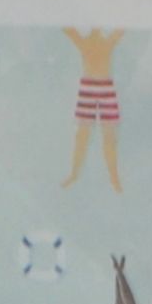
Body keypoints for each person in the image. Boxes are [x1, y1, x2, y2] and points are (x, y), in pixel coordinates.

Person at [61, 27, 126, 192]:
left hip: (103, 88)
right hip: (91, 88)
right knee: (84, 135)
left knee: (106, 136)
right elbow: (70, 31)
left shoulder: (99, 42)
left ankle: (113, 176)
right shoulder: (93, 43)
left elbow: (119, 32)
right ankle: (76, 173)